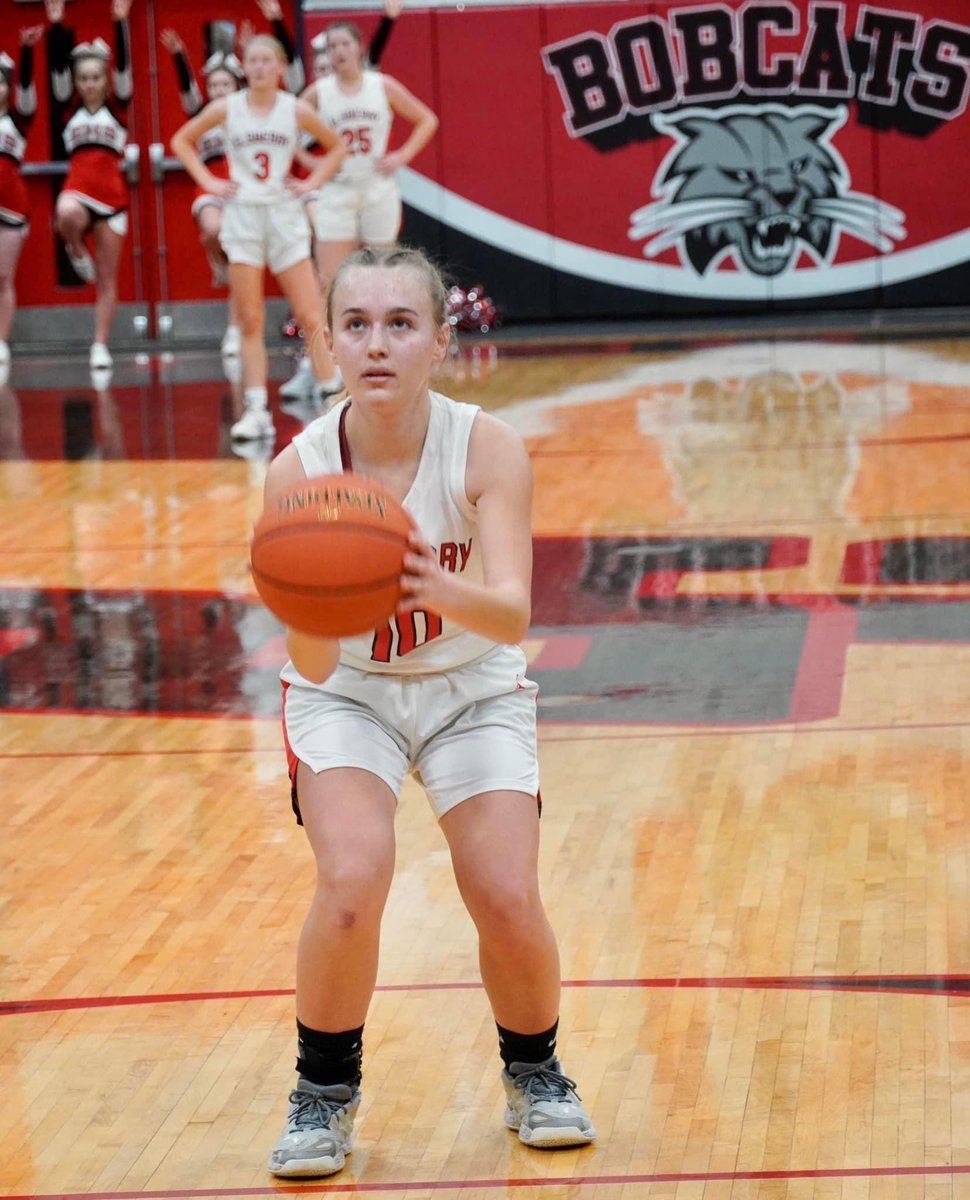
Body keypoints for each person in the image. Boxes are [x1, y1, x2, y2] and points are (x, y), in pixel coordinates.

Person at [263, 245, 596, 1178]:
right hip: (349, 693)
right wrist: (323, 601)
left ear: (442, 342)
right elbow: (308, 659)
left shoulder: (486, 447)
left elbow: (512, 610)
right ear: (328, 343)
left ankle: (538, 1074)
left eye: (401, 324)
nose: (378, 344)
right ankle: (322, 1095)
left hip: (473, 687)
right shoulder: (297, 475)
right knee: (352, 881)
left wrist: (404, 573)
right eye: (357, 325)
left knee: (505, 894)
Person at [170, 35, 346, 442]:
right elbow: (182, 141)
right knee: (250, 319)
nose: (260, 66)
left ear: (281, 67)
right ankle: (255, 411)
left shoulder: (295, 108)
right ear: (244, 67)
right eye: (253, 60)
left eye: (268, 59)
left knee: (310, 315)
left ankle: (331, 396)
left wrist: (312, 181)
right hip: (244, 218)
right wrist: (208, 181)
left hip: (284, 217)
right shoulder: (227, 108)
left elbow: (336, 147)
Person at [281, 16, 435, 408]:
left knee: (386, 276)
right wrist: (306, 161)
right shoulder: (319, 92)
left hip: (377, 189)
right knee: (329, 282)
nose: (336, 53)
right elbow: (284, 126)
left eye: (343, 45)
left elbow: (426, 119)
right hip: (336, 191)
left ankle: (390, 356)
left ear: (359, 49)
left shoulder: (381, 86)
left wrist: (402, 154)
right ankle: (327, 369)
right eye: (330, 47)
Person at [45, 0, 133, 370]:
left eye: (96, 77)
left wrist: (120, 24)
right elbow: (58, 74)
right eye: (84, 78)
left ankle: (100, 345)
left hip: (113, 197)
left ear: (105, 79)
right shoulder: (68, 108)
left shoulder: (118, 107)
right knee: (64, 213)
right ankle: (75, 247)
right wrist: (58, 27)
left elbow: (125, 70)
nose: (90, 83)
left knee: (107, 277)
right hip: (79, 188)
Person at [160, 30, 245, 357]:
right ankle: (216, 259)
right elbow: (186, 91)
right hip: (210, 183)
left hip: (240, 188)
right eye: (214, 85)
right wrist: (180, 55)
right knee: (212, 230)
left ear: (238, 86)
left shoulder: (248, 112)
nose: (219, 90)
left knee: (239, 258)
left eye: (226, 84)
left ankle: (234, 331)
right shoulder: (202, 115)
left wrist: (244, 49)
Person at [0, 26, 42, 367]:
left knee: (3, 277)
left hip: (11, 204)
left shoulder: (18, 119)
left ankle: (1, 342)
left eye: (0, 81)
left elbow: (27, 93)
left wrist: (26, 53)